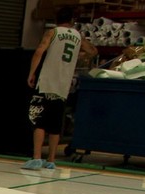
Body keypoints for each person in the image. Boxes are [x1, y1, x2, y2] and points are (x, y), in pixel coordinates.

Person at [23, 7, 96, 170]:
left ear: (57, 19)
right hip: (63, 85)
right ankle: (51, 160)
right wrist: (78, 56)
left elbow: (39, 51)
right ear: (71, 19)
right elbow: (93, 51)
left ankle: (36, 158)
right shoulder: (78, 36)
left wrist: (32, 73)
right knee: (55, 125)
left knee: (39, 122)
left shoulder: (53, 32)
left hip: (47, 82)